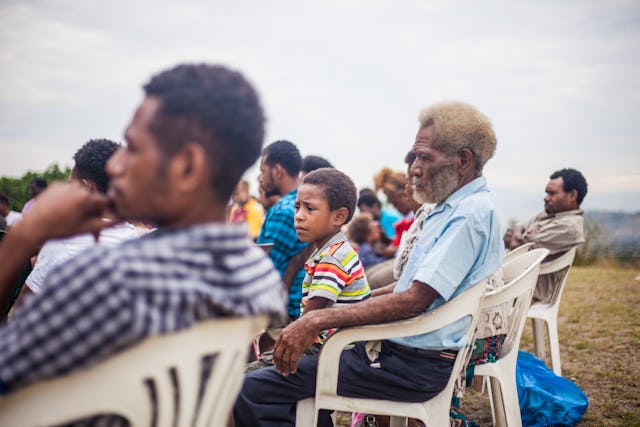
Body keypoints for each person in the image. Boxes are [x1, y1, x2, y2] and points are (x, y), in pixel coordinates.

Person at [0, 63, 286, 397]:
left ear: (187, 167)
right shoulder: (254, 274)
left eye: (133, 149)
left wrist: (23, 239)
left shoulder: (108, 278)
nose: (116, 167)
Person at [233, 100, 502, 427]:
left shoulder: (467, 216)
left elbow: (414, 301)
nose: (414, 167)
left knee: (250, 387)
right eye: (414, 156)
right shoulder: (453, 209)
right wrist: (340, 311)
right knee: (280, 371)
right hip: (398, 353)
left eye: (424, 157)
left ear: (463, 160)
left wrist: (316, 320)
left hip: (408, 366)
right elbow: (406, 289)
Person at [249, 168, 370, 371]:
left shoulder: (333, 258)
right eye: (297, 208)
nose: (298, 216)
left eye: (309, 209)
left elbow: (309, 319)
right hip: (330, 347)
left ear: (339, 216)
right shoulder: (330, 251)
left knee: (248, 377)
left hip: (334, 353)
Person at [21, 139, 140, 298]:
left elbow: (23, 310)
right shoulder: (137, 241)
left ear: (87, 188)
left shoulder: (63, 244)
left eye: (71, 185)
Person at [503, 168, 587, 302]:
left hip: (525, 287)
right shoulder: (548, 216)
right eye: (547, 193)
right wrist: (523, 234)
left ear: (572, 195)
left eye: (552, 193)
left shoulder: (570, 227)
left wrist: (521, 235)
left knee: (471, 292)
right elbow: (514, 230)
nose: (546, 198)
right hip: (512, 279)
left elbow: (517, 244)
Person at [257, 140, 309, 319]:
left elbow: (263, 272)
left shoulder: (284, 212)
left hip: (283, 311)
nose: (260, 179)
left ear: (278, 171)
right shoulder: (301, 206)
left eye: (262, 171)